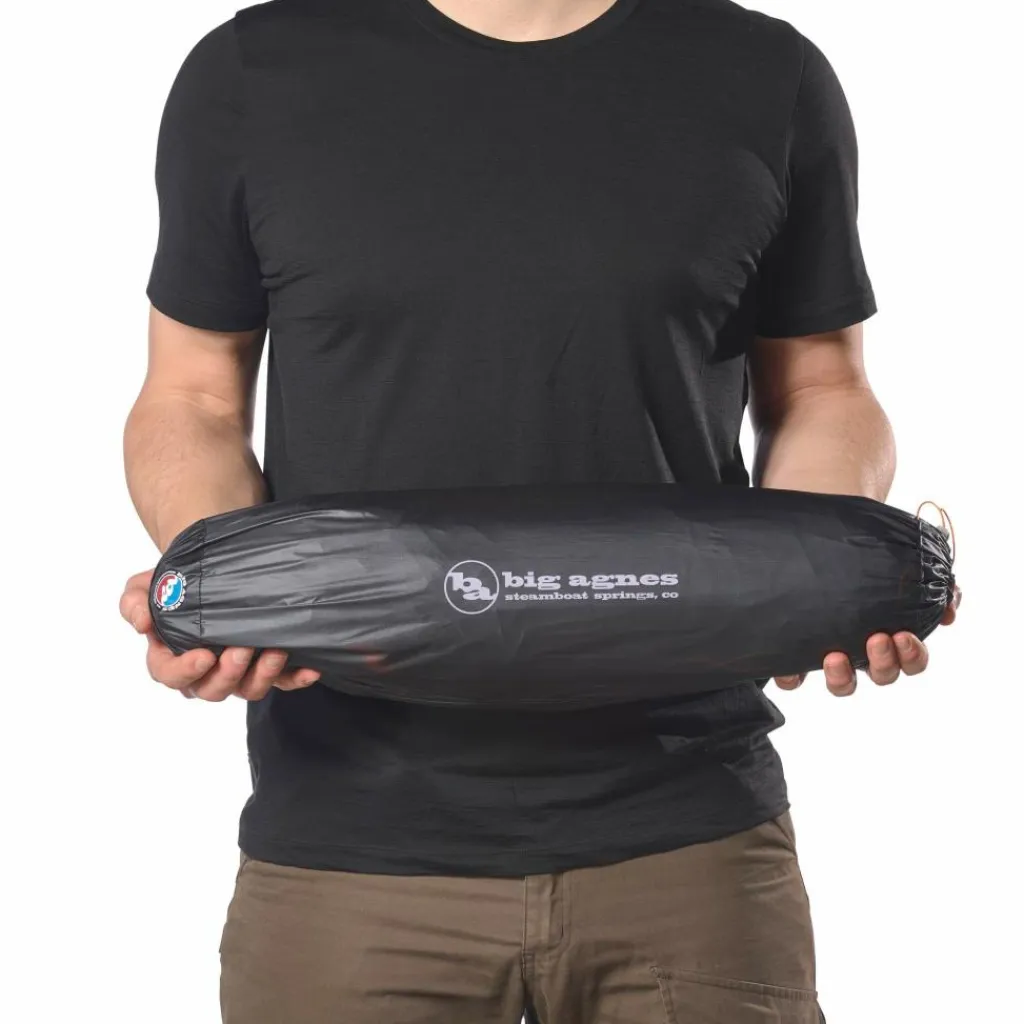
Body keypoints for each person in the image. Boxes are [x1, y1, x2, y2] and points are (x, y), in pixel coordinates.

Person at [120, 1, 959, 1021]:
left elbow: (824, 388)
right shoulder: (255, 69)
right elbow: (192, 397)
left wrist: (815, 580)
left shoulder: (763, 71)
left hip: (690, 837)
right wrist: (222, 593)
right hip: (348, 842)